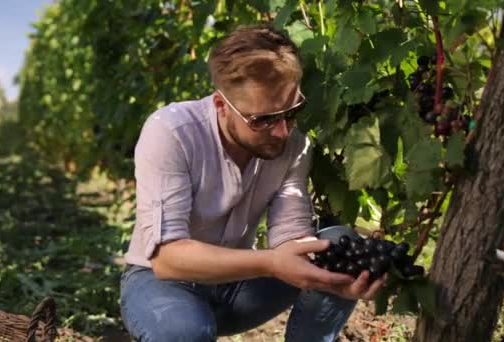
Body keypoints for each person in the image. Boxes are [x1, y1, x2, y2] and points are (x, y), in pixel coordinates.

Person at [120, 24, 387, 342]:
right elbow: (167, 259)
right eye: (263, 120)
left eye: (292, 112)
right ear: (221, 105)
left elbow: (291, 239)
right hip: (160, 285)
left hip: (237, 288)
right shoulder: (172, 132)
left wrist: (330, 274)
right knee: (183, 332)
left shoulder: (295, 146)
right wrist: (271, 263)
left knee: (341, 248)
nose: (282, 132)